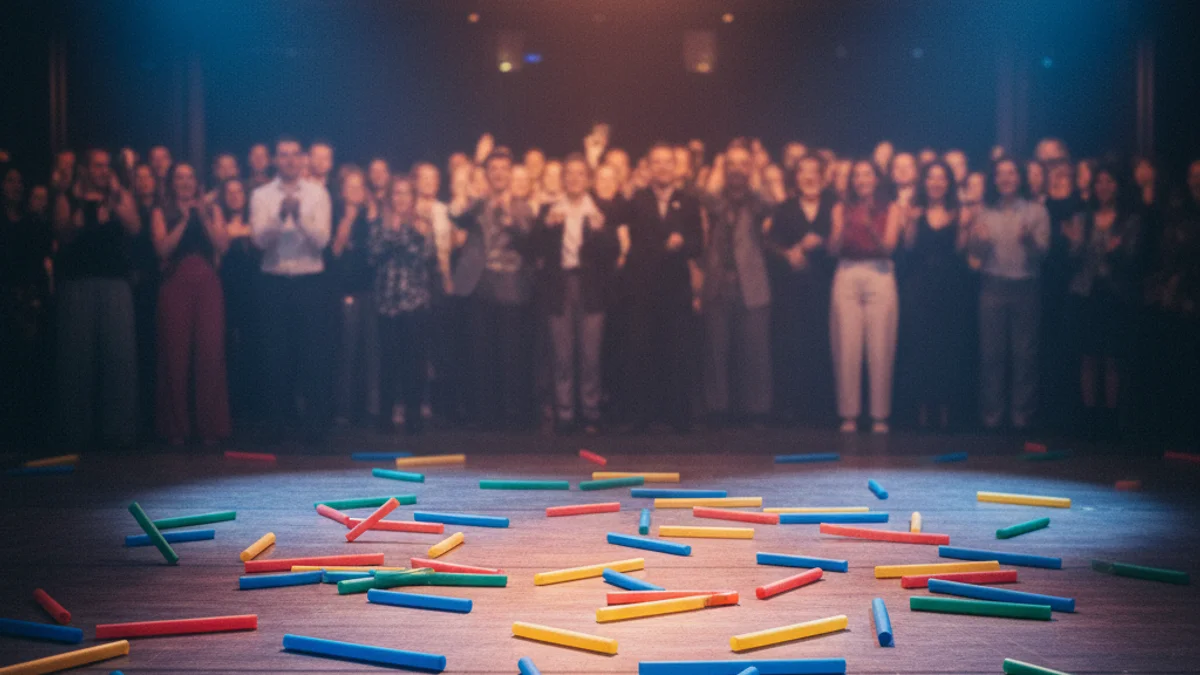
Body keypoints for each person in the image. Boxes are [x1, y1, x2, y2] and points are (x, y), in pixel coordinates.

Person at [52, 148, 141, 450]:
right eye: (98, 166)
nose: (104, 171)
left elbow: (135, 226)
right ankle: (75, 433)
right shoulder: (70, 198)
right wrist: (81, 222)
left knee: (119, 359)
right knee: (76, 361)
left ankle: (119, 432)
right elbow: (61, 234)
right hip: (78, 286)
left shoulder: (119, 197)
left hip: (115, 285)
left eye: (107, 166)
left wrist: (116, 197)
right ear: (86, 169)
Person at [249, 136, 333, 445]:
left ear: (302, 160)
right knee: (275, 356)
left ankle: (316, 429)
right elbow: (259, 241)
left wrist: (299, 216)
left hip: (309, 282)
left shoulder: (318, 193)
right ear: (275, 159)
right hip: (274, 282)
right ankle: (276, 426)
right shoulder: (261, 195)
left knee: (312, 356)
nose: (289, 160)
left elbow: (322, 241)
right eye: (283, 155)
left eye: (295, 155)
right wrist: (280, 215)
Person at [532, 154, 619, 434]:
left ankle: (590, 412)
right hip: (560, 287)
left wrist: (601, 231)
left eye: (580, 174)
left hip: (590, 288)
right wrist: (546, 227)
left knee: (591, 354)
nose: (574, 178)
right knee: (562, 354)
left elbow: (613, 252)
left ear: (588, 179)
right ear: (563, 178)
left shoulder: (600, 210)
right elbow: (531, 249)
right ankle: (565, 412)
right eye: (569, 173)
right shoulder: (549, 209)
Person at [622, 143, 703, 432]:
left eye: (668, 162)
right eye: (656, 162)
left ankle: (678, 416)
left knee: (677, 352)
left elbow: (699, 244)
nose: (663, 168)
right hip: (643, 289)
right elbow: (621, 228)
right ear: (648, 167)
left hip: (676, 289)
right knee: (642, 351)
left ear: (676, 166)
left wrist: (683, 243)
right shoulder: (637, 200)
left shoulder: (689, 201)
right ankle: (641, 416)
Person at [967, 157, 1051, 431]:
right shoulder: (984, 213)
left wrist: (1029, 241)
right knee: (992, 354)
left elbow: (1044, 253)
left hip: (1026, 286)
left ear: (1020, 177)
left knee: (1024, 355)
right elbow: (975, 256)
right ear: (994, 179)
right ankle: (992, 416)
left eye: (1011, 173)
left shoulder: (1036, 211)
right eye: (1000, 174)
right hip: (992, 285)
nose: (1006, 178)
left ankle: (1022, 416)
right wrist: (977, 241)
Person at [151, 163, 231, 444]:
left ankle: (209, 428)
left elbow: (222, 246)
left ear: (197, 181)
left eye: (189, 177)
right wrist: (184, 220)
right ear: (172, 183)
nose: (184, 182)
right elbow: (161, 248)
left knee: (210, 354)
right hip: (175, 285)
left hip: (208, 284)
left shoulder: (212, 210)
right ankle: (176, 429)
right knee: (175, 355)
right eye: (179, 177)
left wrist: (202, 216)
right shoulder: (162, 211)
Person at [455, 148, 536, 429]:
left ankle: (513, 415)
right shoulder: (478, 205)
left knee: (511, 354)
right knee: (482, 352)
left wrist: (511, 224)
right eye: (494, 169)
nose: (499, 174)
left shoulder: (522, 207)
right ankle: (485, 416)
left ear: (511, 173)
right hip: (481, 284)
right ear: (488, 175)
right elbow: (457, 216)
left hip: (512, 285)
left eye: (504, 169)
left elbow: (531, 244)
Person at [1064, 163, 1141, 439]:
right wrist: (1075, 243)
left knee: (1111, 357)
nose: (1103, 187)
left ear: (1117, 186)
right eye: (1099, 182)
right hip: (1086, 293)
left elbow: (1132, 258)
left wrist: (1113, 253)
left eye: (1109, 182)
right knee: (1088, 355)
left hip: (1113, 294)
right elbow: (1072, 259)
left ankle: (1110, 419)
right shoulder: (1083, 219)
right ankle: (1089, 418)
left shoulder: (1128, 220)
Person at [700, 145, 773, 426]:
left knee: (755, 350)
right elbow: (703, 194)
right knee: (716, 350)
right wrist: (717, 169)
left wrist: (758, 173)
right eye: (732, 164)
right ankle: (717, 410)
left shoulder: (756, 201)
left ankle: (756, 411)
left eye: (743, 164)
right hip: (719, 281)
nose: (737, 170)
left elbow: (771, 203)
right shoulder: (717, 201)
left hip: (751, 282)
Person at [829, 159, 902, 433]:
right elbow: (832, 248)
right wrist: (841, 228)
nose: (861, 180)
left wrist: (870, 226)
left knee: (880, 345)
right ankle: (848, 415)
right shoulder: (841, 207)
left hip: (879, 272)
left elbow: (890, 247)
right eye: (856, 175)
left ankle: (879, 416)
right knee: (847, 345)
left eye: (866, 175)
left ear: (876, 179)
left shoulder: (891, 208)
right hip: (847, 271)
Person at [897, 161, 971, 429]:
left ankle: (945, 410)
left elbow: (961, 252)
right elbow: (907, 248)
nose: (936, 183)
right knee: (920, 347)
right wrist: (910, 222)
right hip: (919, 286)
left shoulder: (958, 213)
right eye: (931, 178)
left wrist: (964, 228)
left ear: (949, 183)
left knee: (947, 347)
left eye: (941, 178)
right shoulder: (916, 211)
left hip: (950, 287)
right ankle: (921, 410)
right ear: (924, 182)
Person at [765, 154, 835, 425]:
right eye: (803, 172)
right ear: (796, 177)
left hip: (826, 286)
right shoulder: (785, 207)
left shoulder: (833, 205)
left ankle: (822, 410)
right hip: (791, 290)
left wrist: (824, 241)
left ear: (822, 176)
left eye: (813, 171)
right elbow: (769, 243)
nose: (808, 177)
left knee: (822, 344)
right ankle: (792, 409)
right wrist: (788, 254)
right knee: (792, 345)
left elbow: (843, 236)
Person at [371, 176, 436, 435]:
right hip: (387, 303)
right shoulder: (379, 226)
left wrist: (407, 233)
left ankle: (413, 415)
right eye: (396, 194)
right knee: (387, 361)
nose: (401, 198)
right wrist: (392, 232)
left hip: (414, 303)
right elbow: (373, 255)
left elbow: (425, 256)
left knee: (414, 362)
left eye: (406, 193)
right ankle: (385, 415)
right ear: (390, 198)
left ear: (413, 199)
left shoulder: (422, 226)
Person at [1, 165, 54, 446]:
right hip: (5, 297)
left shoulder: (30, 223)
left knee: (27, 365)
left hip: (27, 302)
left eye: (19, 181)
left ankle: (26, 434)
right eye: (10, 180)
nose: (16, 186)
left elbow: (40, 259)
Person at [327, 167, 379, 427]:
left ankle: (370, 410)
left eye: (360, 186)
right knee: (347, 352)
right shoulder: (336, 214)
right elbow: (335, 253)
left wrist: (370, 217)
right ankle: (343, 410)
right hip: (345, 293)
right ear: (342, 190)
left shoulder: (372, 217)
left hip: (370, 292)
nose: (355, 190)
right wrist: (346, 221)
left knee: (371, 353)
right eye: (351, 186)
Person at [212, 177, 262, 428]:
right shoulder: (217, 221)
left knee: (254, 349)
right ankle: (233, 408)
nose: (234, 196)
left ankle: (254, 408)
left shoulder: (256, 218)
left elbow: (260, 240)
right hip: (227, 293)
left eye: (238, 191)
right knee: (229, 350)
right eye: (229, 192)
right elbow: (220, 245)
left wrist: (240, 232)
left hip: (255, 295)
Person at [129, 163, 161, 433]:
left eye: (146, 176)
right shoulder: (128, 210)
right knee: (135, 352)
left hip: (160, 285)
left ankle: (156, 419)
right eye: (137, 177)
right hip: (133, 287)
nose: (143, 181)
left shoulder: (163, 209)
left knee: (157, 350)